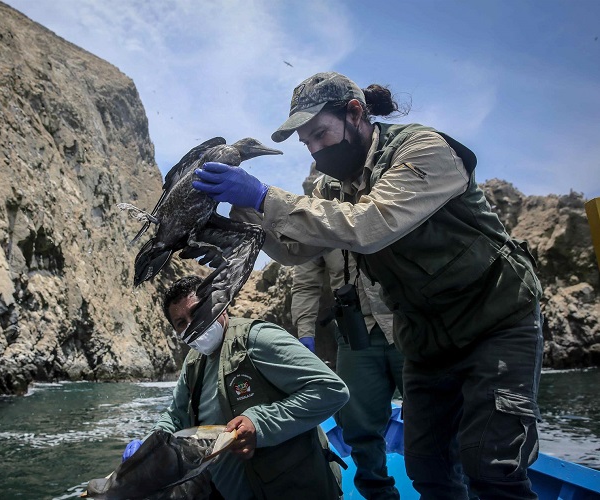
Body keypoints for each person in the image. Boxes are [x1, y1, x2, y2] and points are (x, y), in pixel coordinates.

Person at [192, 72, 543, 499]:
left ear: (355, 113)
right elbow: (296, 251)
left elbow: (371, 225)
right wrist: (245, 213)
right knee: (427, 466)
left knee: (492, 465)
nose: (317, 150)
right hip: (425, 339)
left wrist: (265, 195)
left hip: (495, 322)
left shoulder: (425, 151)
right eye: (307, 143)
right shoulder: (332, 185)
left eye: (321, 134)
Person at [123, 275, 349, 500]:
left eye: (196, 311)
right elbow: (176, 415)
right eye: (181, 322)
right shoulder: (193, 362)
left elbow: (331, 389)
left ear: (218, 305)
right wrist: (149, 444)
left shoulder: (257, 338)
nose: (191, 324)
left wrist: (259, 424)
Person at [292, 241, 404, 499]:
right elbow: (306, 280)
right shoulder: (315, 215)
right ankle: (380, 495)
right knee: (357, 427)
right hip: (355, 330)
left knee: (436, 417)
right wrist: (305, 334)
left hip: (409, 320)